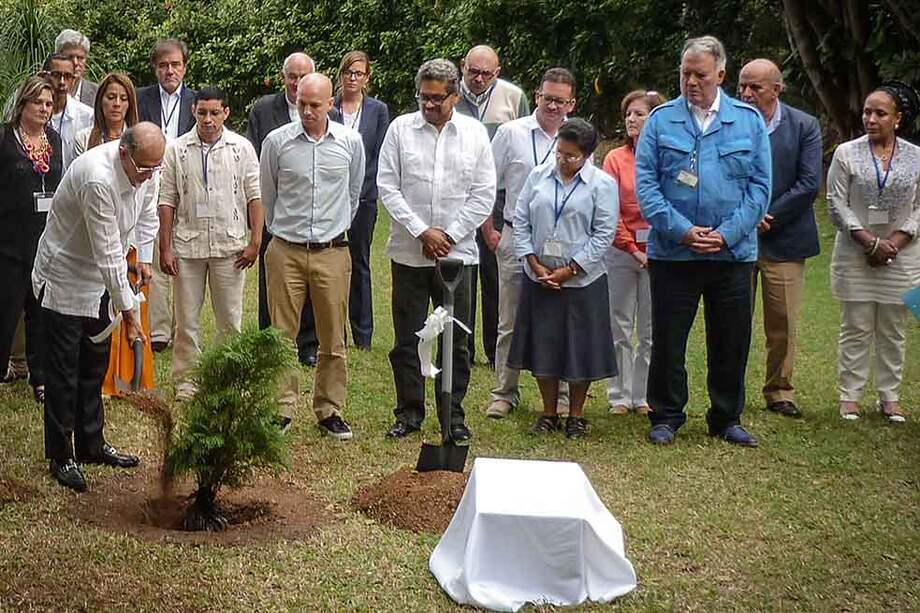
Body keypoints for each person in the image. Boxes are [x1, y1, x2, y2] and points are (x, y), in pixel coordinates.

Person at [635, 35, 771, 447]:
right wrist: (682, 230)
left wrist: (727, 233)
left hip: (732, 255)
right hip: (675, 253)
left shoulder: (748, 121)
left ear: (722, 75)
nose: (691, 82)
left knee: (731, 339)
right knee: (669, 338)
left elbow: (760, 188)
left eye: (701, 75)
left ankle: (726, 416)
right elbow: (647, 186)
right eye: (685, 74)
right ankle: (666, 414)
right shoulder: (660, 121)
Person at [32, 122, 164, 492]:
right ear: (124, 153)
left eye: (157, 169)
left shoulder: (148, 167)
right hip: (67, 276)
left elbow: (147, 216)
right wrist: (131, 313)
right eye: (145, 169)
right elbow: (106, 253)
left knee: (94, 363)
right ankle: (62, 454)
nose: (150, 176)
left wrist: (145, 257)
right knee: (64, 369)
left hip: (104, 278)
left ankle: (91, 443)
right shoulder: (97, 178)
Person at [377, 58, 496, 441]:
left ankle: (453, 415)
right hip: (410, 254)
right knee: (408, 337)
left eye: (436, 99)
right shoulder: (400, 130)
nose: (428, 105)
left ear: (455, 95)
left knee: (456, 340)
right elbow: (388, 187)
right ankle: (409, 412)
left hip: (458, 256)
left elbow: (483, 194)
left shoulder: (475, 134)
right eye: (423, 97)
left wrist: (449, 235)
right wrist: (422, 232)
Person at [260, 73, 365, 439]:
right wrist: (284, 232)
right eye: (301, 103)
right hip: (285, 250)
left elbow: (354, 194)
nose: (306, 111)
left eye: (315, 105)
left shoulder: (350, 143)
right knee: (280, 335)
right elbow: (268, 194)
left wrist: (330, 230)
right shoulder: (277, 143)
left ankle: (329, 409)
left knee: (333, 336)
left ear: (330, 105)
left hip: (332, 252)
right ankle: (280, 408)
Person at [509, 118, 618, 439]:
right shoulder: (539, 176)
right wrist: (533, 261)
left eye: (570, 156)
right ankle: (548, 412)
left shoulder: (601, 185)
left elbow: (603, 234)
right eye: (559, 153)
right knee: (544, 344)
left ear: (586, 155)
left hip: (582, 281)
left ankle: (576, 414)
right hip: (539, 276)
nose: (562, 160)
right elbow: (521, 218)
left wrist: (570, 269)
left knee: (579, 347)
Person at [158, 87, 262, 400]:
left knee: (230, 319)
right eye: (202, 112)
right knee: (186, 320)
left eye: (214, 113)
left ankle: (227, 377)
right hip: (187, 246)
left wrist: (255, 241)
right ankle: (187, 381)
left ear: (226, 113)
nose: (208, 119)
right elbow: (166, 200)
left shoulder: (241, 148)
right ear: (194, 112)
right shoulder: (176, 149)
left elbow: (254, 196)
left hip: (229, 246)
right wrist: (165, 247)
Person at [485, 67, 577, 419]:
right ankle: (504, 392)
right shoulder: (511, 133)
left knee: (560, 320)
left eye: (560, 100)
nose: (552, 106)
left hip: (562, 244)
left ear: (571, 102)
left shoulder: (577, 135)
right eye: (547, 98)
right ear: (536, 96)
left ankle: (563, 395)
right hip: (513, 236)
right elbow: (487, 184)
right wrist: (490, 231)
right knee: (509, 319)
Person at [826, 83, 920, 423]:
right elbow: (835, 202)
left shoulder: (916, 155)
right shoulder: (846, 152)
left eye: (880, 113)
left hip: (903, 254)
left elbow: (919, 208)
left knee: (894, 328)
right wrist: (869, 242)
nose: (871, 118)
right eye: (867, 111)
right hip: (855, 251)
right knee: (856, 325)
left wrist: (894, 242)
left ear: (898, 118)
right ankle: (849, 396)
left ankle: (890, 397)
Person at [738, 59, 822, 419]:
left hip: (785, 238)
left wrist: (767, 215)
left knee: (782, 322)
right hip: (738, 238)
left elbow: (808, 183)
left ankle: (779, 390)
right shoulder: (732, 123)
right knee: (733, 320)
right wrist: (744, 217)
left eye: (755, 87)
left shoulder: (804, 125)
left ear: (777, 89)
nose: (746, 93)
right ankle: (729, 390)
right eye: (742, 86)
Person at [247, 52, 341, 366]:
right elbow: (263, 177)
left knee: (317, 290)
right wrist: (271, 221)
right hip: (281, 221)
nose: (297, 82)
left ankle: (309, 344)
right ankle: (269, 339)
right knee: (273, 286)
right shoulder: (264, 110)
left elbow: (350, 188)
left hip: (321, 223)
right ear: (284, 77)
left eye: (303, 76)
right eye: (292, 76)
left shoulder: (339, 130)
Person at [72, 72, 156, 397]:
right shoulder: (86, 138)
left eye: (123, 98)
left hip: (130, 241)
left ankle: (130, 380)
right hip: (97, 237)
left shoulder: (143, 141)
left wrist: (144, 255)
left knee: (129, 306)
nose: (116, 103)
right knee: (99, 310)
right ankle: (101, 380)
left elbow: (149, 207)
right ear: (100, 101)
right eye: (110, 97)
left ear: (130, 103)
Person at [456, 45, 530, 368]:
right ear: (463, 67)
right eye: (473, 71)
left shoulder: (513, 97)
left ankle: (493, 349)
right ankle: (462, 347)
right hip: (457, 193)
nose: (479, 78)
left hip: (498, 197)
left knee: (494, 272)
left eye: (487, 73)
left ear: (497, 72)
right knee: (461, 271)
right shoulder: (450, 98)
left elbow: (528, 142)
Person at [603, 89, 667, 416]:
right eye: (628, 113)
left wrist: (654, 249)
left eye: (639, 113)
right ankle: (619, 395)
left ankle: (643, 396)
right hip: (621, 252)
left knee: (650, 330)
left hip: (659, 253)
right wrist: (631, 247)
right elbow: (609, 211)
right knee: (619, 326)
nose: (631, 119)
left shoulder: (668, 156)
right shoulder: (614, 158)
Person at [0, 77, 63, 403]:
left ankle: (41, 379)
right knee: (6, 311)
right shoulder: (5, 138)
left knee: (41, 315)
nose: (43, 108)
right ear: (23, 103)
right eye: (37, 102)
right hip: (8, 242)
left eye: (49, 104)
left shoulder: (55, 139)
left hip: (44, 242)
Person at [137, 39, 196, 353]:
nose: (169, 70)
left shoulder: (197, 101)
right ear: (155, 68)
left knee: (183, 256)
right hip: (150, 182)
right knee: (156, 251)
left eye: (175, 64)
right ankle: (159, 331)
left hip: (187, 187)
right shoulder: (139, 98)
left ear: (184, 66)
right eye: (163, 65)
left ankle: (184, 326)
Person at [333, 51, 390, 350]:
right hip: (332, 197)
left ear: (367, 77)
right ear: (341, 76)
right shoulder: (331, 110)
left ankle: (363, 334)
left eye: (358, 73)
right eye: (348, 73)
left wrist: (361, 187)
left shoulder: (378, 110)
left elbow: (378, 154)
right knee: (331, 264)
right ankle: (334, 331)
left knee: (360, 261)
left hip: (365, 197)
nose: (352, 78)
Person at [42, 53, 93, 170]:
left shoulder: (87, 116)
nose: (62, 82)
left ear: (74, 80)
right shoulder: (29, 113)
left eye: (68, 76)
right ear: (44, 76)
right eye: (56, 75)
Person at [55, 29, 97, 107]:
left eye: (80, 58)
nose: (75, 63)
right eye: (69, 57)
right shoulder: (45, 91)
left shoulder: (97, 94)